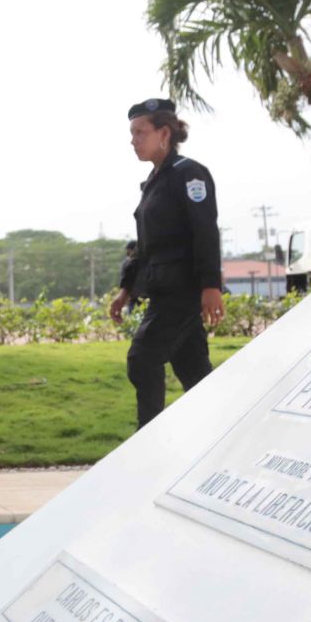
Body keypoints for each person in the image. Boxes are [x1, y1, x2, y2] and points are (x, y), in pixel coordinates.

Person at [109, 98, 224, 428]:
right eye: (131, 133)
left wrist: (210, 285)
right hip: (162, 288)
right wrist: (126, 289)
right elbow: (144, 247)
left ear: (164, 133)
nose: (133, 140)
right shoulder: (155, 182)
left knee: (142, 359)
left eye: (140, 132)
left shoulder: (188, 174)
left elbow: (204, 231)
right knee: (194, 373)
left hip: (182, 289)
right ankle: (218, 436)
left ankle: (150, 438)